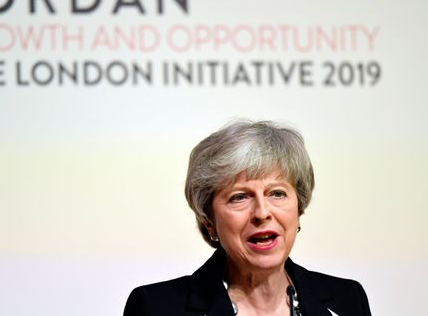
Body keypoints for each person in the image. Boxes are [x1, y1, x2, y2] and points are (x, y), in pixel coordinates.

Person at [123, 120, 371, 316]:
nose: (262, 212)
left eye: (277, 193)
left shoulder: (347, 299)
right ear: (209, 221)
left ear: (299, 208)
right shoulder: (154, 308)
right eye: (239, 197)